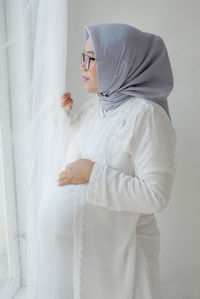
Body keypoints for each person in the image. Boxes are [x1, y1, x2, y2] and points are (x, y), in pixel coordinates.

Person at [37, 23, 176, 299]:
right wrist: (64, 118)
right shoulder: (93, 109)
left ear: (119, 61)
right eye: (83, 55)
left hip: (123, 262)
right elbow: (71, 167)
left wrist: (94, 174)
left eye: (92, 57)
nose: (83, 66)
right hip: (87, 257)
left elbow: (156, 195)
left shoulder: (147, 115)